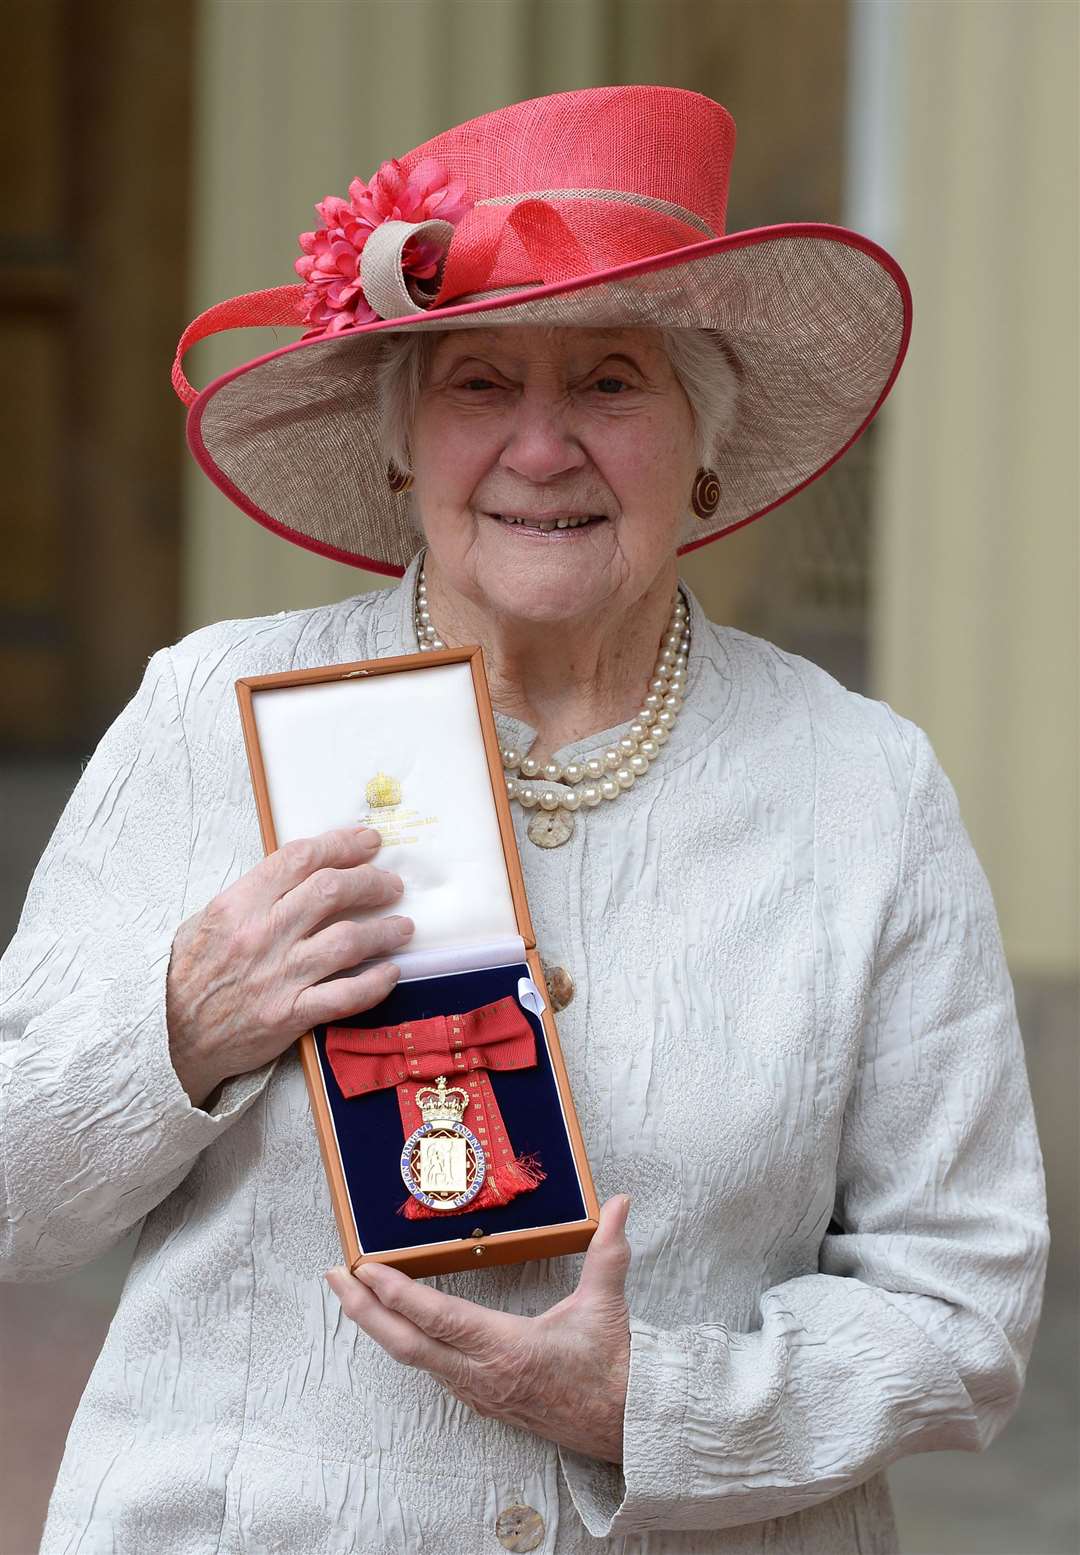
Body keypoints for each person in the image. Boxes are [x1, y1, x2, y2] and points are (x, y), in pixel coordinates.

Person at [1, 86, 1048, 1555]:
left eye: (612, 383)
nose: (543, 449)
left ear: (704, 445)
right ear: (398, 442)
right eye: (479, 384)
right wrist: (180, 1022)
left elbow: (963, 1299)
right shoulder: (211, 709)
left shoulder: (862, 786)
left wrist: (659, 1405)